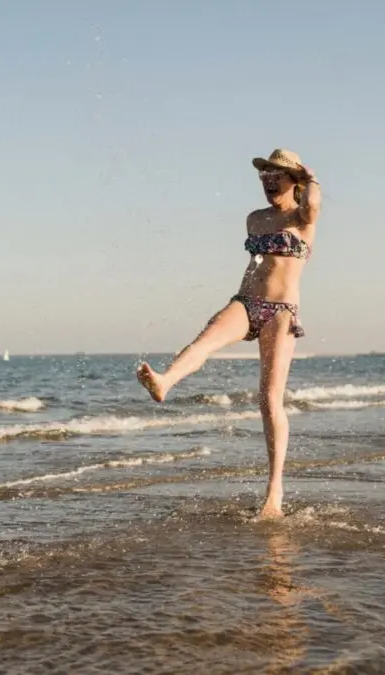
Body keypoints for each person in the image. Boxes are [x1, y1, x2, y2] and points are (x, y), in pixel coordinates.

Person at [136, 148, 322, 519]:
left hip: (281, 311)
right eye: (265, 175)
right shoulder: (254, 219)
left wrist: (311, 176)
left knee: (269, 399)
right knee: (204, 341)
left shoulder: (302, 218)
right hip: (246, 301)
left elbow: (313, 204)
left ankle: (274, 493)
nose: (269, 181)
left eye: (278, 176)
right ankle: (165, 382)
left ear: (295, 181)